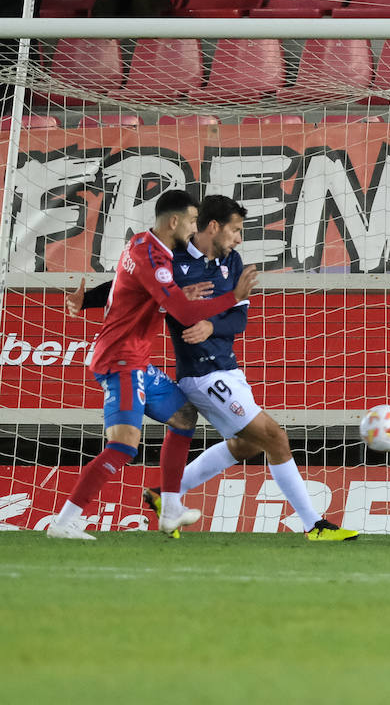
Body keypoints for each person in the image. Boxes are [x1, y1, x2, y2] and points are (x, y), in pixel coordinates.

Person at [69, 195, 357, 541]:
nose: (239, 239)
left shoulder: (232, 262)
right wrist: (85, 300)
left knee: (247, 446)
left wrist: (212, 326)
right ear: (213, 227)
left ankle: (164, 494)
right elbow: (128, 286)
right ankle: (315, 525)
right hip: (202, 375)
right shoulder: (171, 259)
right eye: (235, 230)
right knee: (275, 437)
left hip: (228, 368)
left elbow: (240, 318)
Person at [46, 190, 257, 540]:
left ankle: (171, 507)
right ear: (174, 221)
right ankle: (64, 522)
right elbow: (184, 313)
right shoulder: (154, 257)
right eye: (192, 221)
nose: (194, 228)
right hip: (121, 358)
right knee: (124, 445)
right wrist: (230, 298)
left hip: (136, 358)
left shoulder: (145, 245)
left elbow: (128, 287)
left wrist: (86, 301)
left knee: (184, 417)